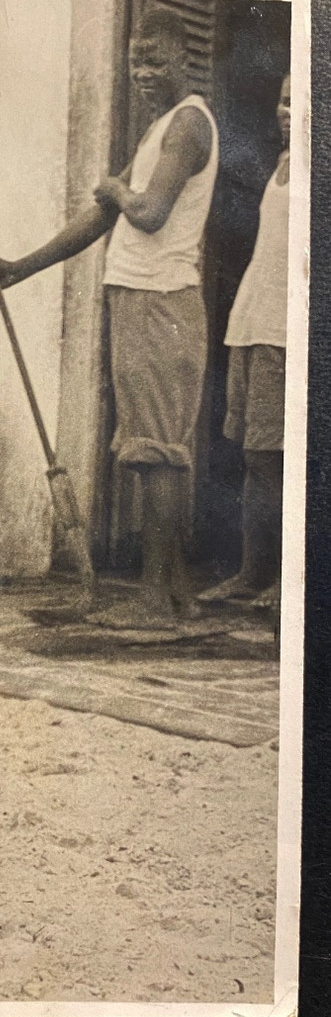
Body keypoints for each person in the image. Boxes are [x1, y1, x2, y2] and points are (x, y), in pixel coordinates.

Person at [0, 8, 218, 627]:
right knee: (149, 452)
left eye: (155, 60)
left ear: (185, 59)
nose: (142, 71)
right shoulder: (160, 128)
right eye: (136, 59)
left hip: (161, 301)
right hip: (140, 298)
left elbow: (148, 211)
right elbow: (102, 220)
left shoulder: (188, 124)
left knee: (158, 453)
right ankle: (179, 594)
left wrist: (115, 190)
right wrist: (22, 266)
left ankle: (154, 602)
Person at [198, 73, 290, 613]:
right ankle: (253, 573)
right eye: (282, 100)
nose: (287, 112)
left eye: (300, 103)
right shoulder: (278, 166)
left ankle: (288, 580)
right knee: (255, 458)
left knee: (281, 456)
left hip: (284, 329)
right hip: (253, 321)